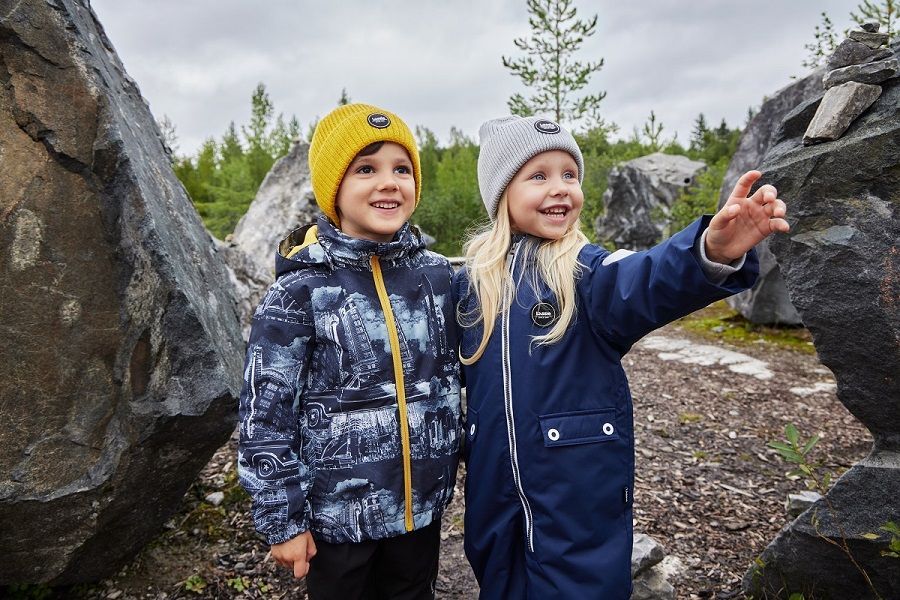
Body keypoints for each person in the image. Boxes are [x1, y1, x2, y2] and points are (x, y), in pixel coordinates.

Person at [453, 115, 787, 598]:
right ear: (501, 192)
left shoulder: (588, 273)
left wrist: (710, 249)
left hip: (576, 498)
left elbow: (646, 279)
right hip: (493, 493)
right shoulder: (472, 284)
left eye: (570, 175)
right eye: (539, 176)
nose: (561, 188)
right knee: (498, 581)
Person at [237, 103, 462, 600]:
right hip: (338, 522)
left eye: (402, 169)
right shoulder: (299, 293)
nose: (389, 182)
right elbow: (264, 415)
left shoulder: (440, 279)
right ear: (332, 187)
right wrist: (283, 519)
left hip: (419, 510)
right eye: (366, 169)